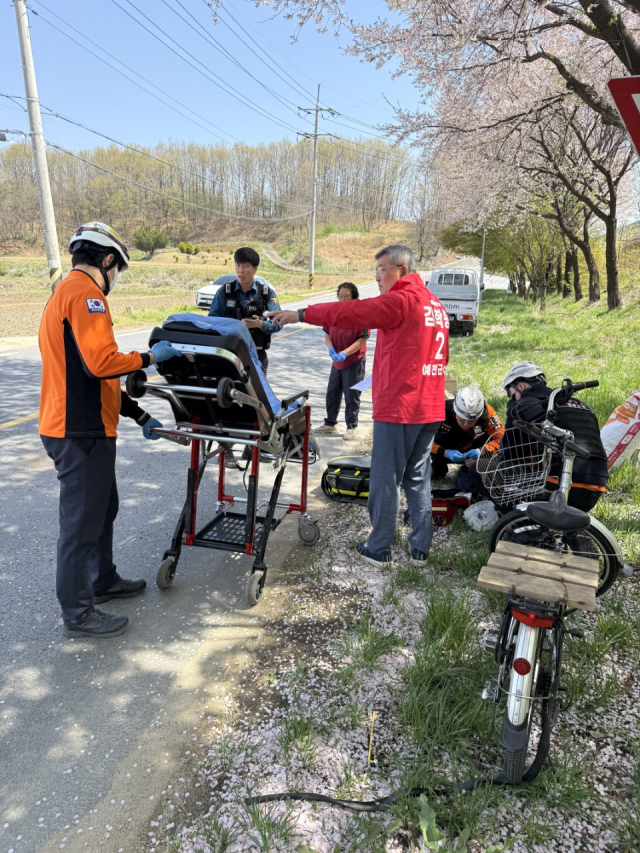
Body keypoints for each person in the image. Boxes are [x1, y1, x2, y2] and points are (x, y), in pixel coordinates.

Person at [39, 222, 181, 639]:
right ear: (107, 260)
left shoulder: (64, 293)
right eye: (117, 268)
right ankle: (79, 611)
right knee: (82, 523)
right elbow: (102, 363)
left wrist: (137, 415)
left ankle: (102, 580)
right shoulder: (87, 295)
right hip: (79, 432)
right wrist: (149, 357)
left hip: (82, 425)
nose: (115, 277)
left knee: (103, 509)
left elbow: (93, 378)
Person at [269, 244, 448, 568]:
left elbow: (353, 312)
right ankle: (420, 548)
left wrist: (302, 314)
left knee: (386, 478)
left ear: (402, 271)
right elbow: (442, 357)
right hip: (430, 406)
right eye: (375, 271)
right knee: (418, 477)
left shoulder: (402, 300)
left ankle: (379, 547)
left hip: (401, 408)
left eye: (382, 270)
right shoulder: (434, 304)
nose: (377, 277)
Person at [502, 361, 609, 510]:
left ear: (520, 386)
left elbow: (511, 453)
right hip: (597, 486)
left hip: (558, 486)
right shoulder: (581, 404)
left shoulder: (522, 406)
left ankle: (510, 521)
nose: (512, 399)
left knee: (481, 471)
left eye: (511, 394)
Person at [207, 247, 281, 375]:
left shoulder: (267, 294)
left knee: (256, 394)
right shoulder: (224, 292)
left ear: (255, 269)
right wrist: (236, 325)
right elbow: (211, 323)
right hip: (228, 354)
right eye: (238, 265)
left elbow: (278, 322)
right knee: (227, 393)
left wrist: (261, 325)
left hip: (256, 355)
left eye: (245, 266)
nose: (240, 270)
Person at [315, 282, 368, 441]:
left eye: (347, 297)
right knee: (332, 392)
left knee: (352, 394)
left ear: (354, 298)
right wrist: (331, 349)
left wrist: (345, 353)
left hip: (354, 360)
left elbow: (362, 339)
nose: (343, 300)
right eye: (340, 296)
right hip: (337, 361)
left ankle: (352, 427)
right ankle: (330, 423)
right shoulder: (333, 313)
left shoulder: (360, 315)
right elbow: (327, 334)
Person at [431, 386, 504, 491]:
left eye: (471, 421)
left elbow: (502, 438)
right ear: (455, 411)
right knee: (438, 437)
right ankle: (438, 468)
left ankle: (473, 469)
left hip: (473, 447)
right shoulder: (441, 411)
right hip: (447, 446)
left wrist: (482, 450)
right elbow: (422, 441)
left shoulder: (487, 412)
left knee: (488, 438)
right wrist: (445, 452)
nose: (466, 424)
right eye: (462, 419)